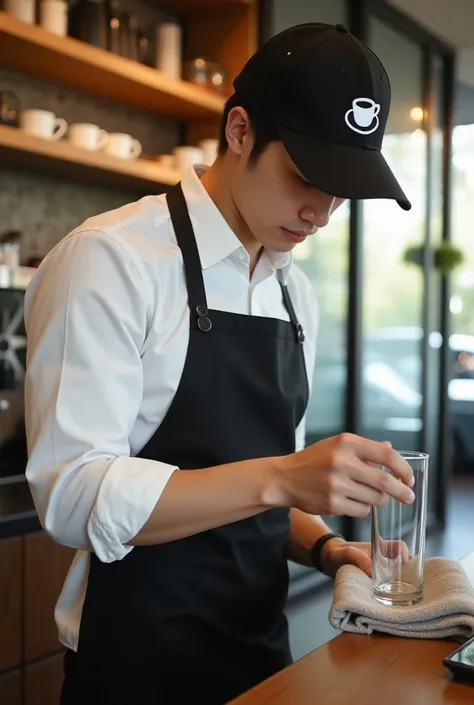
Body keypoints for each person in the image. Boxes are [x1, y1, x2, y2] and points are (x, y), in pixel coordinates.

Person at [24, 21, 415, 705]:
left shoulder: (295, 291)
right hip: (137, 666)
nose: (319, 211)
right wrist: (284, 475)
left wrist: (327, 548)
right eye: (305, 174)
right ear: (239, 130)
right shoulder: (111, 260)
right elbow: (72, 496)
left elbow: (269, 492)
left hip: (262, 657)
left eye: (341, 189)